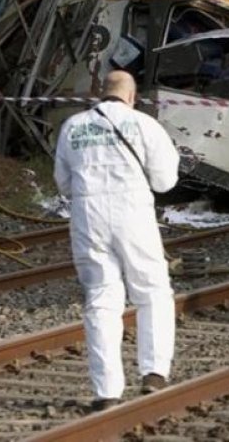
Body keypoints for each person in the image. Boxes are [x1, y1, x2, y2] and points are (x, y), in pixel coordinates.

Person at [53, 70, 180, 411]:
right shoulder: (144, 125)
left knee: (100, 298)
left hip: (87, 215)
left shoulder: (73, 126)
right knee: (152, 290)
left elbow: (63, 183)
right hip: (132, 211)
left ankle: (107, 391)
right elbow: (166, 181)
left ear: (100, 93)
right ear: (132, 96)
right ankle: (154, 372)